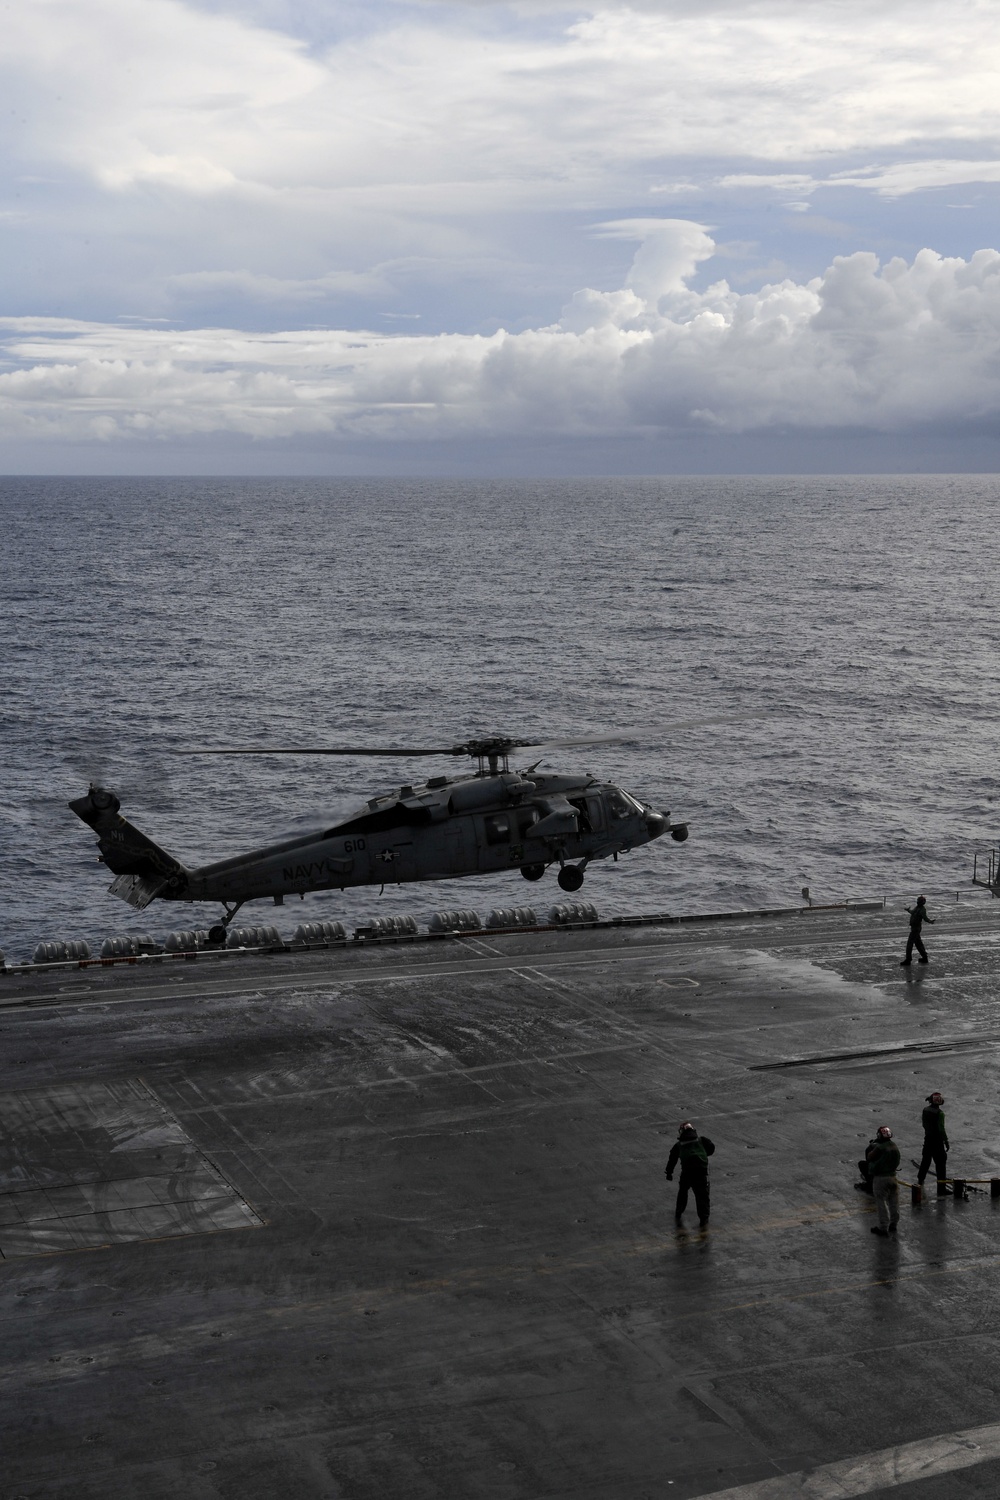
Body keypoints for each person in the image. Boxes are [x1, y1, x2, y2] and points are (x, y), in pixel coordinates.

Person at [665, 1121, 715, 1226]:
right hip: (701, 1172)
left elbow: (672, 1160)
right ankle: (704, 1218)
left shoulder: (678, 1145)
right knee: (702, 1196)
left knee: (683, 1192)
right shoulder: (702, 1140)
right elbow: (711, 1148)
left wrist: (669, 1173)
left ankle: (679, 1211)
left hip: (687, 1172)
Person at [866, 1125, 900, 1235]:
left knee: (881, 1203)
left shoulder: (879, 1147)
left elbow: (869, 1157)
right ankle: (894, 1224)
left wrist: (873, 1145)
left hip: (881, 1179)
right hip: (893, 1177)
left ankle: (883, 1227)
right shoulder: (894, 1146)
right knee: (893, 1202)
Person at [918, 1091, 950, 1195]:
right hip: (937, 1141)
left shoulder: (925, 1110)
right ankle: (941, 1187)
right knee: (940, 1163)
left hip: (928, 1139)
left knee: (925, 1160)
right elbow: (941, 1128)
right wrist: (946, 1140)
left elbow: (924, 1124)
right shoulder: (940, 1113)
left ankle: (920, 1180)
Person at [901, 896, 934, 966]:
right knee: (918, 943)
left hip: (916, 929)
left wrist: (930, 921)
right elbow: (913, 912)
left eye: (919, 901)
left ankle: (908, 959)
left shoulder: (922, 909)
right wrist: (908, 910)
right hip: (915, 928)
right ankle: (924, 957)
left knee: (910, 944)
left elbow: (925, 918)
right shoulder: (918, 908)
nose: (918, 902)